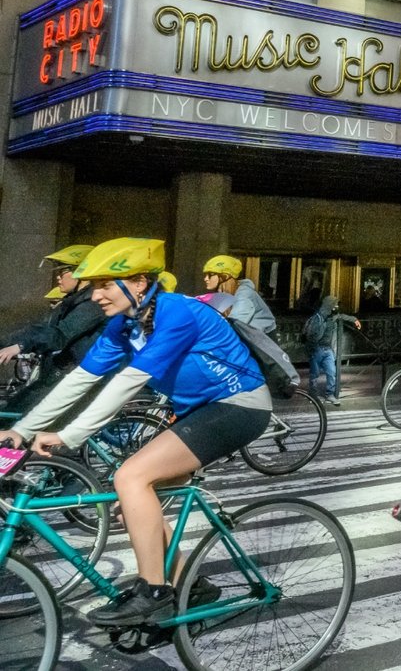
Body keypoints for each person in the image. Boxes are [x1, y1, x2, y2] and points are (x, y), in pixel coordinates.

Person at [0, 238, 272, 625]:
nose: (96, 295)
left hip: (239, 406)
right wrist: (22, 430)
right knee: (134, 505)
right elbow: (81, 378)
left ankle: (154, 590)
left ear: (140, 282)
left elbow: (128, 381)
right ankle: (190, 585)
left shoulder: (178, 313)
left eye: (106, 285)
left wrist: (68, 436)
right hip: (195, 411)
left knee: (131, 476)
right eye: (93, 286)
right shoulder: (124, 326)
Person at [0, 244, 107, 415]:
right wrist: (7, 342)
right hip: (58, 371)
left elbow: (59, 335)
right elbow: (40, 329)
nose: (57, 278)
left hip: (71, 375)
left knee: (17, 416)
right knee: (13, 410)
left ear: (81, 272)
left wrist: (19, 346)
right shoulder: (72, 300)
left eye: (62, 272)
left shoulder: (92, 304)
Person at [303, 295, 361, 405]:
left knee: (331, 372)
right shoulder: (318, 318)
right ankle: (313, 395)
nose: (336, 306)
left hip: (327, 349)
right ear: (329, 305)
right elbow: (311, 336)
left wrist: (354, 320)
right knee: (314, 374)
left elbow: (342, 316)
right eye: (334, 304)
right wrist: (312, 350)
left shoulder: (333, 316)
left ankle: (330, 395)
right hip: (317, 349)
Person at [201, 255, 276, 334]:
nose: (205, 278)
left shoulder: (244, 294)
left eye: (210, 274)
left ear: (225, 276)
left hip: (262, 341)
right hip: (248, 337)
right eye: (205, 275)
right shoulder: (223, 295)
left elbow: (236, 322)